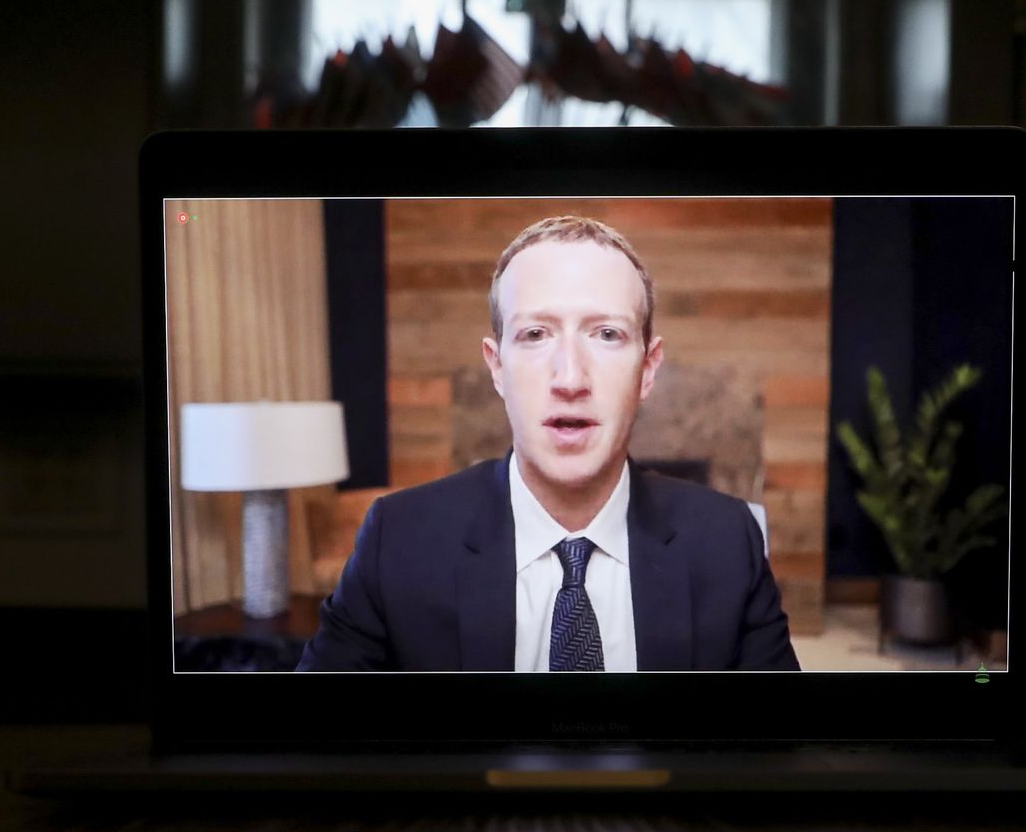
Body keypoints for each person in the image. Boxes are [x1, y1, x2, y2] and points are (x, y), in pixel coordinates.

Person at [296, 215, 798, 672]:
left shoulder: (729, 540)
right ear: (497, 367)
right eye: (536, 334)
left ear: (647, 370)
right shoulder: (397, 540)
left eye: (606, 334)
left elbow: (776, 757)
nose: (570, 378)